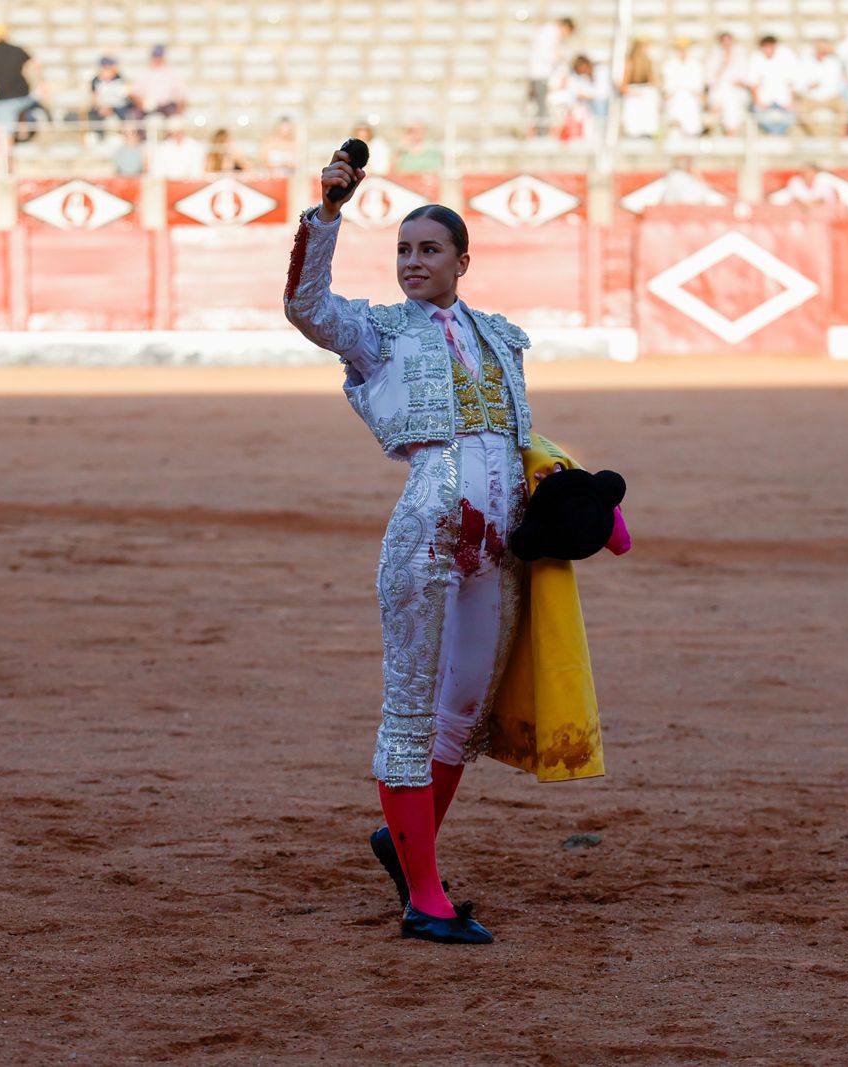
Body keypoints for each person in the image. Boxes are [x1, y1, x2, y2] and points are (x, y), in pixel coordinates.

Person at [283, 148, 540, 946]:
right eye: (402, 250)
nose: (412, 263)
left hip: (500, 545)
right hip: (427, 534)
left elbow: (514, 439)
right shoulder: (377, 332)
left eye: (429, 250)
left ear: (464, 261)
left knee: (462, 715)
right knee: (409, 709)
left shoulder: (502, 337)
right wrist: (328, 215)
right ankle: (424, 897)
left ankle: (406, 842)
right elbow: (305, 305)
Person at [0, 23, 38, 137]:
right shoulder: (18, 49)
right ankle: (22, 128)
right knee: (18, 118)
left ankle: (10, 152)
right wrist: (40, 84)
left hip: (6, 99)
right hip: (24, 95)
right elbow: (35, 65)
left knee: (6, 133)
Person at [528, 17, 575, 135]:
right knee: (543, 106)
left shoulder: (547, 32)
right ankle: (541, 134)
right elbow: (547, 55)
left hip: (540, 73)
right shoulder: (550, 33)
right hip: (541, 73)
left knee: (543, 106)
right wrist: (559, 60)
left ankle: (542, 133)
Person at [795, 37, 848, 135]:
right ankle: (816, 135)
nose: (821, 50)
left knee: (845, 108)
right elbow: (798, 84)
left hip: (832, 98)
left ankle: (841, 137)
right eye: (819, 48)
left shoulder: (834, 62)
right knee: (800, 111)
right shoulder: (805, 62)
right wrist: (808, 87)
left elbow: (845, 73)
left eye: (824, 48)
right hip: (811, 98)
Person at [747, 35, 798, 135]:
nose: (768, 50)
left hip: (783, 98)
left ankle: (775, 134)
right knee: (756, 110)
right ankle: (776, 134)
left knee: (794, 111)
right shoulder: (756, 58)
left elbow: (791, 82)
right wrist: (757, 100)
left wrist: (792, 100)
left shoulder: (786, 56)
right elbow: (753, 83)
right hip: (764, 98)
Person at [705, 32, 751, 134]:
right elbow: (710, 80)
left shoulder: (741, 56)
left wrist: (737, 83)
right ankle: (731, 131)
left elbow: (746, 80)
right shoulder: (714, 57)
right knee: (728, 97)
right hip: (720, 92)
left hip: (736, 92)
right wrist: (724, 64)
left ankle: (714, 115)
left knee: (731, 99)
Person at [662, 37, 706, 138]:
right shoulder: (670, 65)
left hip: (692, 99)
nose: (683, 51)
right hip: (675, 99)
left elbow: (698, 88)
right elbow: (668, 88)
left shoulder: (696, 65)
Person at [619, 38, 660, 137]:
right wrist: (635, 93)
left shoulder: (648, 62)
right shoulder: (629, 62)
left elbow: (653, 82)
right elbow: (623, 86)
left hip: (643, 96)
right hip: (633, 96)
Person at [133, 44, 187, 118]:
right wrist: (141, 104)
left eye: (159, 57)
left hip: (167, 105)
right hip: (148, 104)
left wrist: (178, 113)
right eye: (155, 56)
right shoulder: (145, 72)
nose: (157, 59)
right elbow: (136, 92)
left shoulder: (172, 72)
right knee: (136, 118)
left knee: (175, 122)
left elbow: (180, 94)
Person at [87, 56, 136, 133]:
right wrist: (101, 107)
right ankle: (97, 135)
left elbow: (126, 94)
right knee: (94, 115)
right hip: (103, 107)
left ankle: (129, 135)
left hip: (119, 107)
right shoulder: (95, 81)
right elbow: (94, 99)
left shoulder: (120, 78)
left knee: (127, 114)